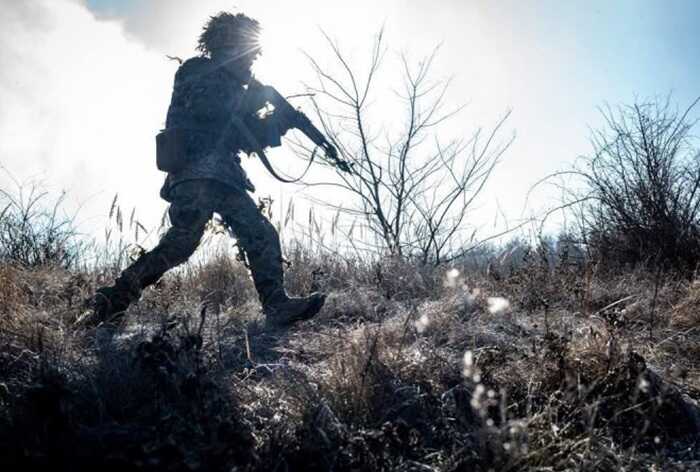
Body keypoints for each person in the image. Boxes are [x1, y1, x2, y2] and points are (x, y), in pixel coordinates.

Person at [81, 12, 333, 328]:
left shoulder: (238, 85)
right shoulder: (197, 70)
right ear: (227, 43)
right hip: (195, 171)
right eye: (248, 50)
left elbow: (248, 136)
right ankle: (112, 299)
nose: (253, 58)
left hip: (225, 175)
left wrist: (280, 124)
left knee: (260, 233)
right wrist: (253, 98)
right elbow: (211, 108)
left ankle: (277, 305)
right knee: (181, 244)